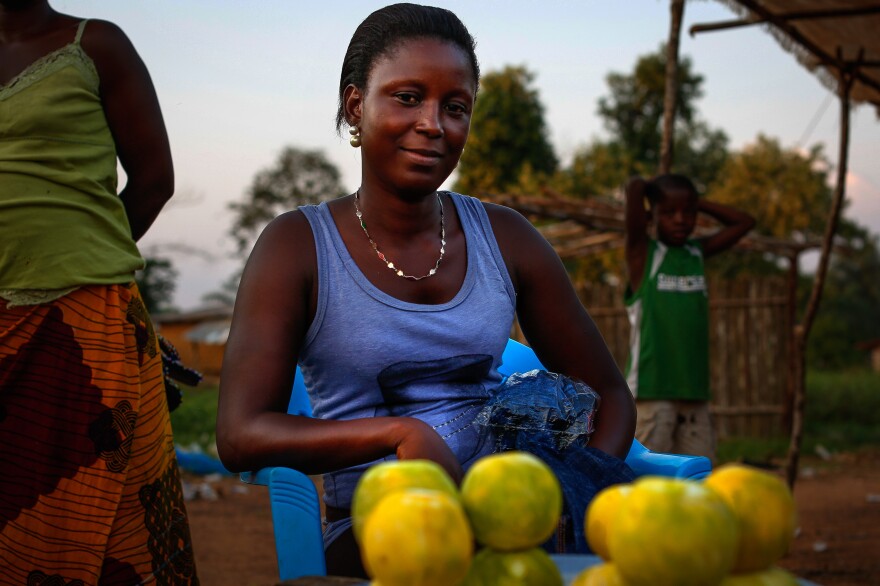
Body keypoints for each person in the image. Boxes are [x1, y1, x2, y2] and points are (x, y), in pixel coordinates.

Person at [217, 3, 636, 578]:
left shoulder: (507, 238)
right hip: (377, 535)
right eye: (408, 97)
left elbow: (609, 395)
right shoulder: (297, 246)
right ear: (356, 106)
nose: (434, 124)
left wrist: (571, 493)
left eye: (455, 107)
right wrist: (399, 433)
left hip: (512, 531)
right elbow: (240, 434)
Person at [0, 1, 198, 583]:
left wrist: (85, 262)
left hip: (88, 325)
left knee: (113, 521)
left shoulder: (96, 46)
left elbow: (154, 181)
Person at [624, 174, 755, 461]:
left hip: (694, 395)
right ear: (652, 215)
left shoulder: (696, 253)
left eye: (688, 212)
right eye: (669, 212)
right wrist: (647, 190)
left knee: (698, 476)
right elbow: (633, 188)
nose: (680, 219)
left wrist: (696, 201)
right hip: (651, 393)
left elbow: (745, 222)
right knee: (647, 477)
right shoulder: (644, 255)